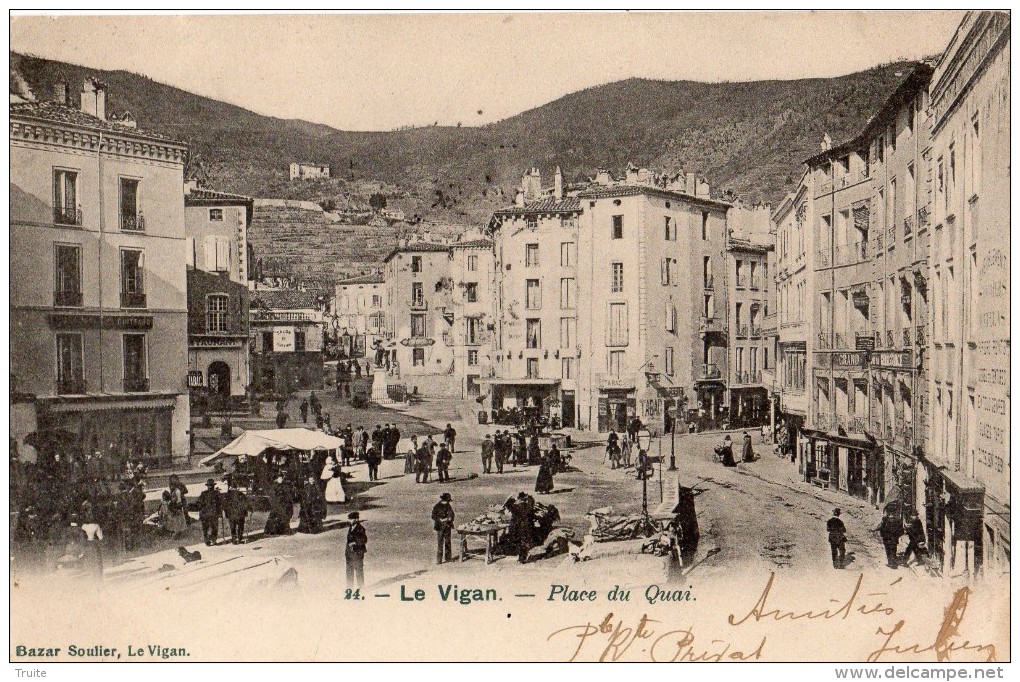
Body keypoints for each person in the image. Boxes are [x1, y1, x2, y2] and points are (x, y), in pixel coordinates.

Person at [504, 493, 535, 564]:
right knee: (524, 542)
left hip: (517, 527)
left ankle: (520, 557)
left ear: (519, 499)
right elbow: (532, 502)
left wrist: (512, 498)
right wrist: (529, 497)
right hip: (526, 527)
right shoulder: (528, 506)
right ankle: (522, 558)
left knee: (518, 542)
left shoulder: (515, 507)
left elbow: (507, 504)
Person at [431, 493, 455, 564]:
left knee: (448, 542)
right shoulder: (437, 506)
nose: (448, 502)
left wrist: (450, 518)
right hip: (440, 526)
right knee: (440, 542)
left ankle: (448, 558)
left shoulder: (448, 506)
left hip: (447, 526)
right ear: (443, 500)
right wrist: (439, 519)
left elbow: (452, 514)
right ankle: (439, 560)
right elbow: (433, 516)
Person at [197, 479, 223, 546]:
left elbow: (199, 503)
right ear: (214, 486)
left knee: (205, 528)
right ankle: (213, 540)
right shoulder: (217, 493)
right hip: (213, 513)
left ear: (207, 486)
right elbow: (220, 504)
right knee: (214, 527)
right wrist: (220, 513)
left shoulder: (203, 493)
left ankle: (207, 541)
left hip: (205, 514)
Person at [345, 511, 367, 589]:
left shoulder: (361, 529)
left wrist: (355, 542)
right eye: (349, 519)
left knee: (359, 571)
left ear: (356, 519)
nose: (350, 521)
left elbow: (364, 540)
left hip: (357, 553)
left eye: (351, 519)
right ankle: (349, 588)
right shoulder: (351, 527)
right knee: (349, 571)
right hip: (349, 554)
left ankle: (361, 588)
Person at [80, 512, 104, 582]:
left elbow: (82, 536)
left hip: (87, 544)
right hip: (94, 544)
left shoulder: (84, 526)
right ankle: (98, 578)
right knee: (97, 561)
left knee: (89, 561)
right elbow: (101, 537)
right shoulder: (96, 526)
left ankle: (90, 578)